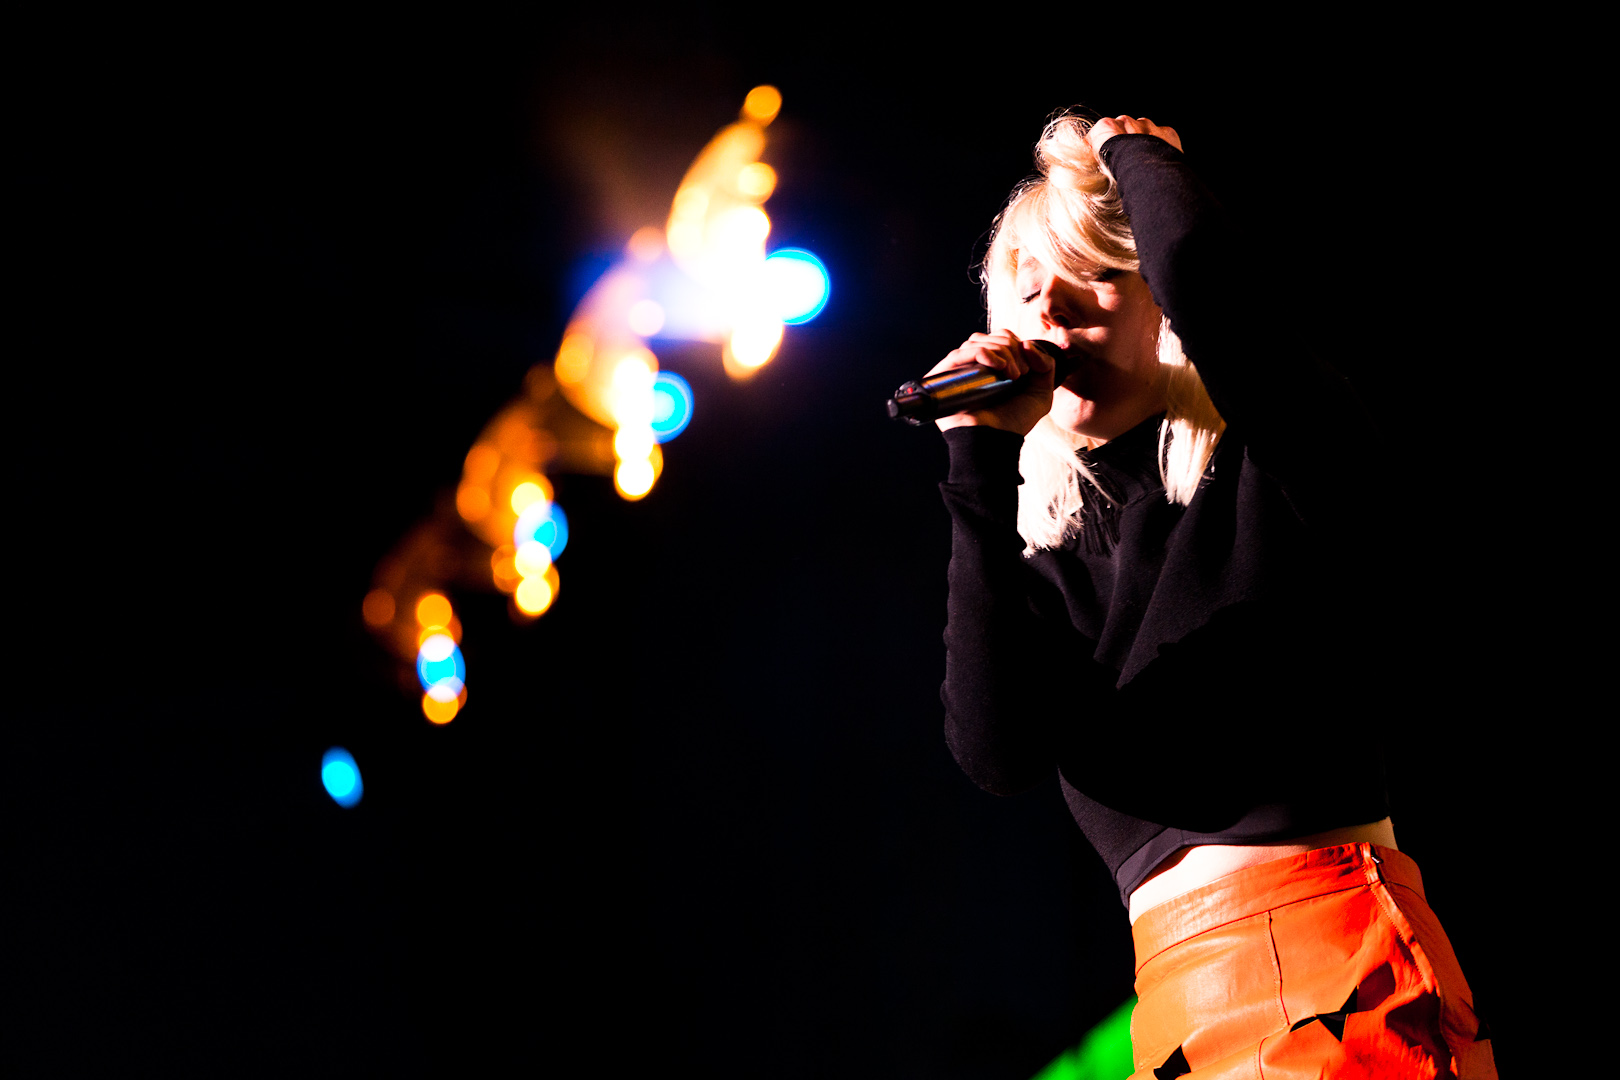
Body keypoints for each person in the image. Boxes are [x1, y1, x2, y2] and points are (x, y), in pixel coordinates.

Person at [929, 112, 1496, 1079]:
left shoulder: (1273, 466)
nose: (1052, 307)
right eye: (1028, 291)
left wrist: (1132, 153)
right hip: (1177, 1014)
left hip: (1336, 973)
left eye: (1094, 273)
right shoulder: (1050, 576)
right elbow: (994, 750)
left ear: (1161, 300)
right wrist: (976, 470)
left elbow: (1216, 294)